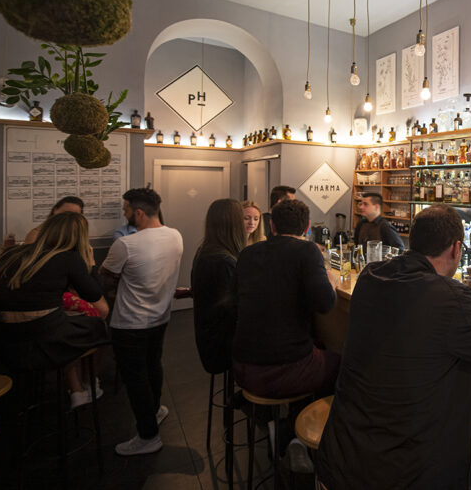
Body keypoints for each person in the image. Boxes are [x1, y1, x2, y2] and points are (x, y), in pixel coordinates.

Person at [317, 204, 471, 489]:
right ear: (456, 248)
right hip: (402, 473)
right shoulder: (450, 297)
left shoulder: (371, 277)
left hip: (342, 458)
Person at [0, 212, 109, 408]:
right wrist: (91, 265)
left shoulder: (10, 254)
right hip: (48, 344)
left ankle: (76, 388)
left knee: (61, 322)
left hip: (9, 344)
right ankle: (88, 384)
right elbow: (94, 295)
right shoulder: (68, 258)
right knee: (98, 325)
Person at [100, 188, 183, 456]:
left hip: (130, 323)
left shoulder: (126, 244)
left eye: (126, 210)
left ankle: (148, 436)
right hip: (160, 317)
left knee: (135, 379)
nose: (124, 215)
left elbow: (105, 277)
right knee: (153, 366)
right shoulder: (175, 236)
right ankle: (155, 410)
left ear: (138, 212)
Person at [232, 198, 338, 398]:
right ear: (307, 227)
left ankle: (277, 418)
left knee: (318, 348)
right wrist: (331, 281)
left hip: (241, 364)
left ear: (271, 225)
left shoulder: (247, 254)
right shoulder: (307, 250)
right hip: (282, 370)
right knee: (345, 366)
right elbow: (325, 303)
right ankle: (299, 424)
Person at [192, 199, 245, 376]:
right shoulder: (224, 262)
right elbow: (235, 308)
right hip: (221, 346)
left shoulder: (204, 251)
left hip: (209, 340)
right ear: (235, 224)